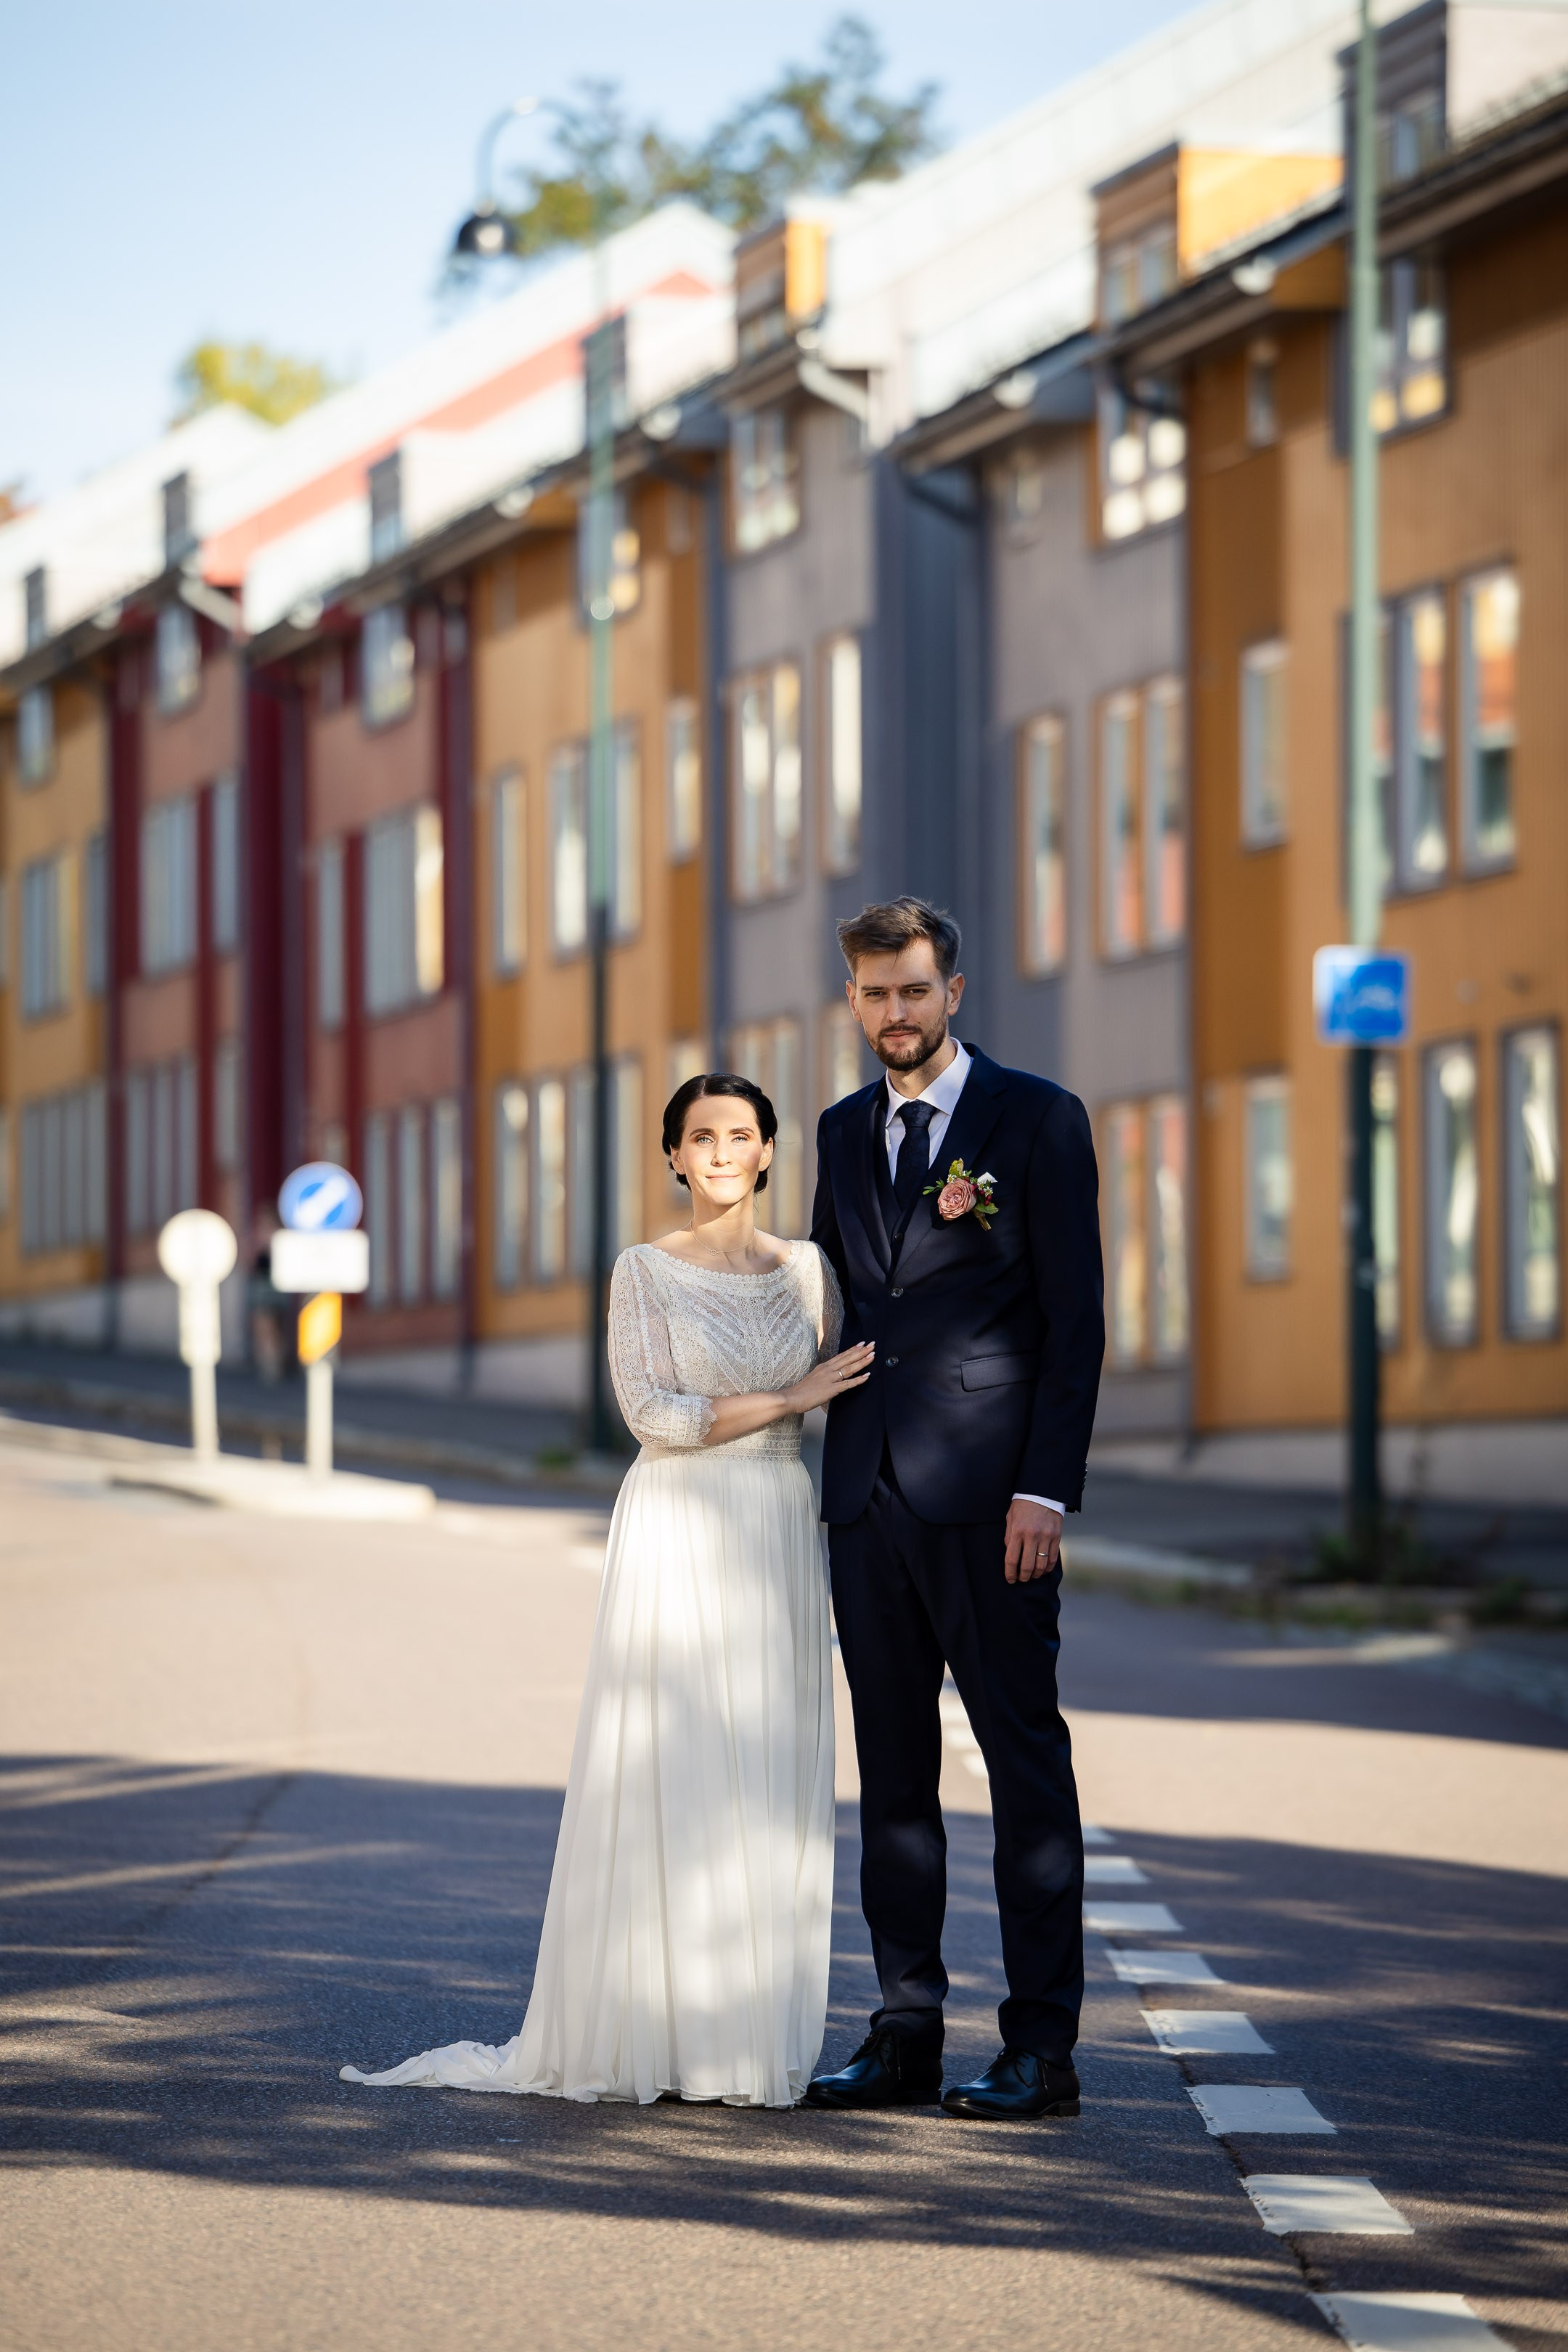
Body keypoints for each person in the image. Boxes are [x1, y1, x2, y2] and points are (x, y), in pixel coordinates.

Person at [340, 1073, 870, 2107]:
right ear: (672, 1154)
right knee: (672, 1770)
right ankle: (649, 2032)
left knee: (764, 1776)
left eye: (741, 1135)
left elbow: (854, 1390)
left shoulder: (811, 1272)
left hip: (776, 1529)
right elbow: (652, 1415)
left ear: (769, 1151)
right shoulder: (642, 1270)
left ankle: (740, 2038)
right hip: (678, 1524)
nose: (721, 1152)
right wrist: (793, 1396)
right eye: (700, 1137)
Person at [806, 897, 1104, 2120]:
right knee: (892, 1779)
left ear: (955, 991)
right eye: (874, 995)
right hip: (867, 1500)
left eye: (913, 991)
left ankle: (1042, 2049)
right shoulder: (834, 1133)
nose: (895, 1014)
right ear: (854, 1001)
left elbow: (1075, 1324)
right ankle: (905, 2026)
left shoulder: (1034, 1119)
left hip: (994, 1508)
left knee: (1025, 1771)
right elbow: (842, 1305)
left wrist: (1046, 1488)